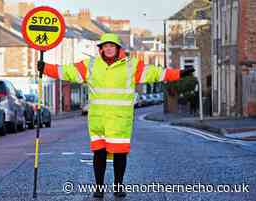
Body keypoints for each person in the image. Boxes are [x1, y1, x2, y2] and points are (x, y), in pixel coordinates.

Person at [37, 33, 194, 198]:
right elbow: (67, 71)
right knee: (99, 154)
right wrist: (45, 68)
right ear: (101, 48)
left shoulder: (131, 66)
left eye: (111, 46)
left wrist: (179, 73)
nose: (108, 49)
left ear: (118, 48)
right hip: (98, 120)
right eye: (105, 46)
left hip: (120, 120)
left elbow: (155, 73)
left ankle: (118, 185)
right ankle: (99, 187)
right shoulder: (90, 65)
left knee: (119, 154)